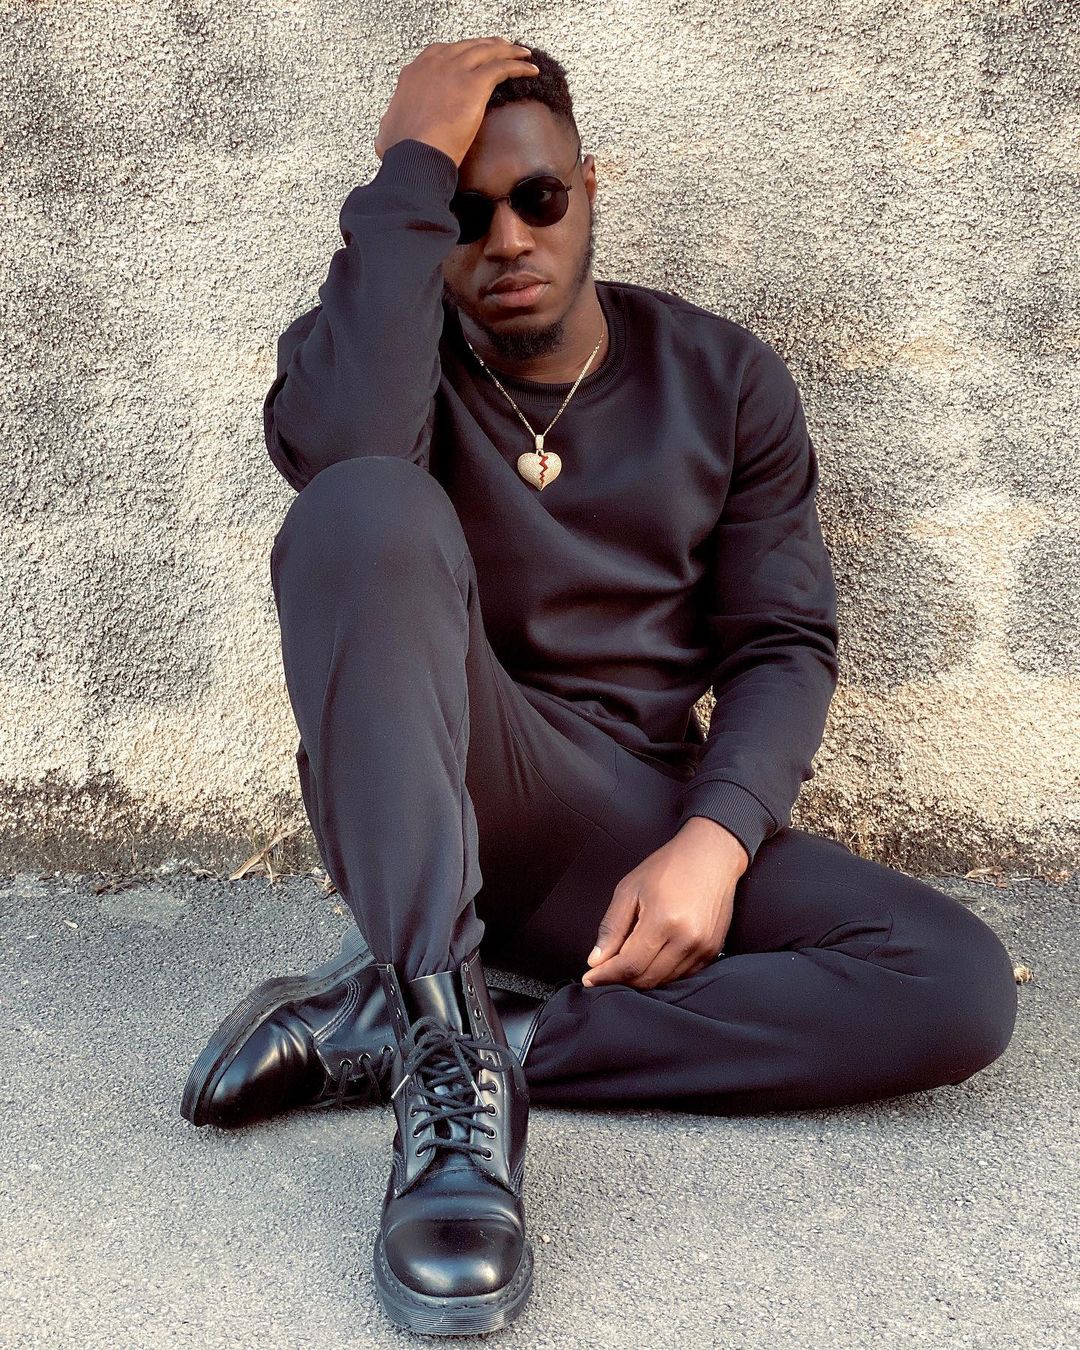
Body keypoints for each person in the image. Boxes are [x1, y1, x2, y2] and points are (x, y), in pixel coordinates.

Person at [180, 37, 1018, 1336]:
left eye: (537, 198)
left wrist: (714, 841)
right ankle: (454, 1099)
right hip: (452, 806)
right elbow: (341, 463)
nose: (507, 239)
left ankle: (430, 1038)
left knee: (954, 982)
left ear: (587, 184)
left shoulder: (722, 378)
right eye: (463, 213)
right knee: (361, 508)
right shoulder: (379, 362)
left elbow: (782, 640)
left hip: (634, 843)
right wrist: (405, 171)